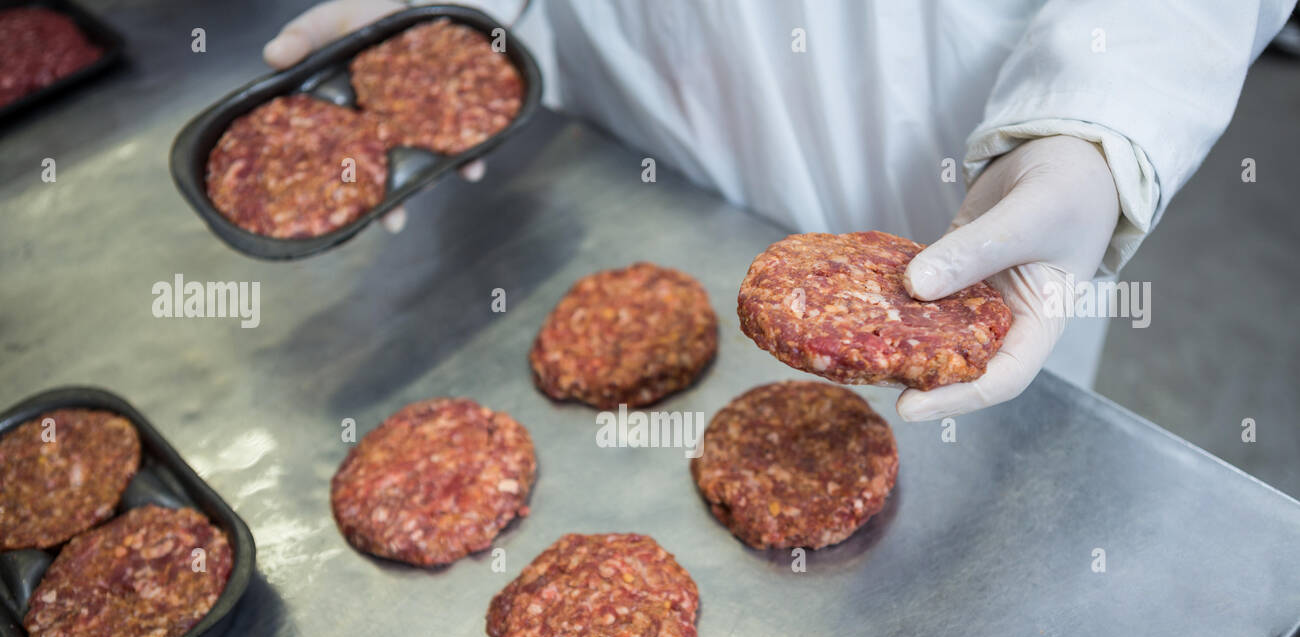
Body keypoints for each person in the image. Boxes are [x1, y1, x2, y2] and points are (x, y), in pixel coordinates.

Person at [263, 0, 1295, 421]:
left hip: (967, 167)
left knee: (970, 522)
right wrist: (469, 29)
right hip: (613, 124)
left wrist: (1089, 127)